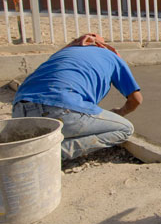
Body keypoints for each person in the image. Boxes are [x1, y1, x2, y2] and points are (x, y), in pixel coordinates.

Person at [12, 33, 142, 160]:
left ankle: (30, 146)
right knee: (125, 128)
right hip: (61, 112)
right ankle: (51, 154)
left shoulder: (62, 54)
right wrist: (120, 112)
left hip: (19, 112)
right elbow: (136, 99)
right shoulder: (111, 56)